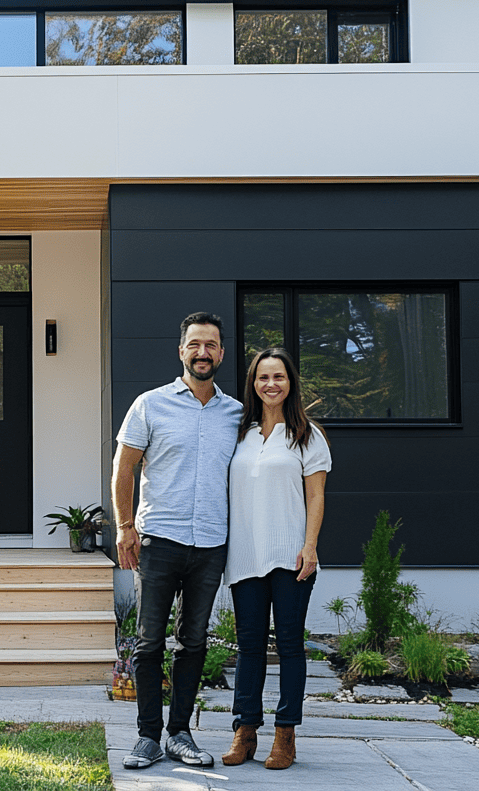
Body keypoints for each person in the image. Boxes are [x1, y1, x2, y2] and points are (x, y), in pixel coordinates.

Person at [112, 311, 243, 770]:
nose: (202, 353)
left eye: (211, 345)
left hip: (210, 545)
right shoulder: (150, 405)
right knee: (149, 642)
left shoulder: (236, 414)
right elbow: (124, 467)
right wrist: (125, 527)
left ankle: (180, 735)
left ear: (221, 353)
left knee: (194, 642)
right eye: (195, 344)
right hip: (159, 542)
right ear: (181, 350)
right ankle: (148, 736)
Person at [220, 346, 330, 770]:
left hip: (291, 555)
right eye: (263, 377)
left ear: (290, 383)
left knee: (289, 645)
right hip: (245, 555)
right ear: (253, 384)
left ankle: (285, 735)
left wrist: (310, 546)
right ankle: (245, 731)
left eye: (278, 377)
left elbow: (316, 496)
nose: (270, 384)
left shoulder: (307, 435)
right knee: (248, 646)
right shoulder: (240, 434)